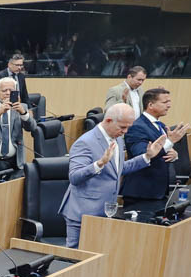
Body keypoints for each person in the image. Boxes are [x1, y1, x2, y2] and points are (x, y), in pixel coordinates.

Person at [60, 104, 165, 248]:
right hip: (83, 214)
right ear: (109, 120)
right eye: (122, 127)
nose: (125, 132)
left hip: (105, 213)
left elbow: (119, 169)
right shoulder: (85, 142)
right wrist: (100, 163)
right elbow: (75, 177)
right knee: (75, 260)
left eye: (128, 127)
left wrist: (147, 156)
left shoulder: (117, 139)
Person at [120, 88, 189, 216]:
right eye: (165, 102)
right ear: (150, 105)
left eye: (169, 101)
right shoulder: (137, 127)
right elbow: (143, 155)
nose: (169, 105)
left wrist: (174, 154)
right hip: (141, 192)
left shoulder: (160, 125)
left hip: (158, 191)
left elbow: (163, 151)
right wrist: (170, 142)